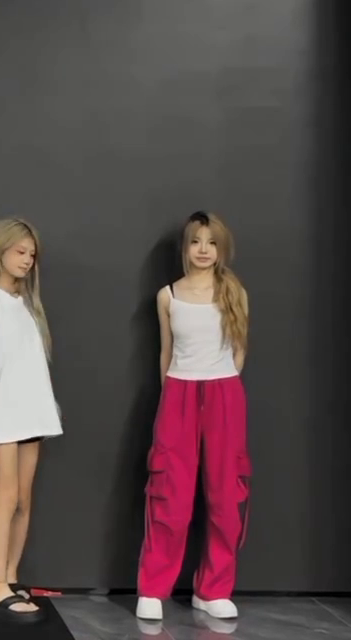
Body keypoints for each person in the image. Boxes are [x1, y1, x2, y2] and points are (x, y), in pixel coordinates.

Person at [135, 211, 250, 622]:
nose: (204, 250)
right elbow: (165, 353)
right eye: (196, 241)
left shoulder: (234, 292)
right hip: (178, 394)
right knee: (170, 494)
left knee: (226, 496)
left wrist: (220, 385)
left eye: (212, 242)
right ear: (185, 248)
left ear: (221, 248)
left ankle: (213, 589)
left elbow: (239, 351)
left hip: (224, 394)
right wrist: (173, 397)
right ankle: (153, 588)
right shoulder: (167, 296)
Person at [0, 217, 64, 623]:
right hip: (1, 410)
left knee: (23, 500)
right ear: (0, 251)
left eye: (32, 254)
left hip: (33, 411)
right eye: (20, 251)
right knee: (5, 498)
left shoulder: (26, 304)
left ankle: (11, 577)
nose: (27, 260)